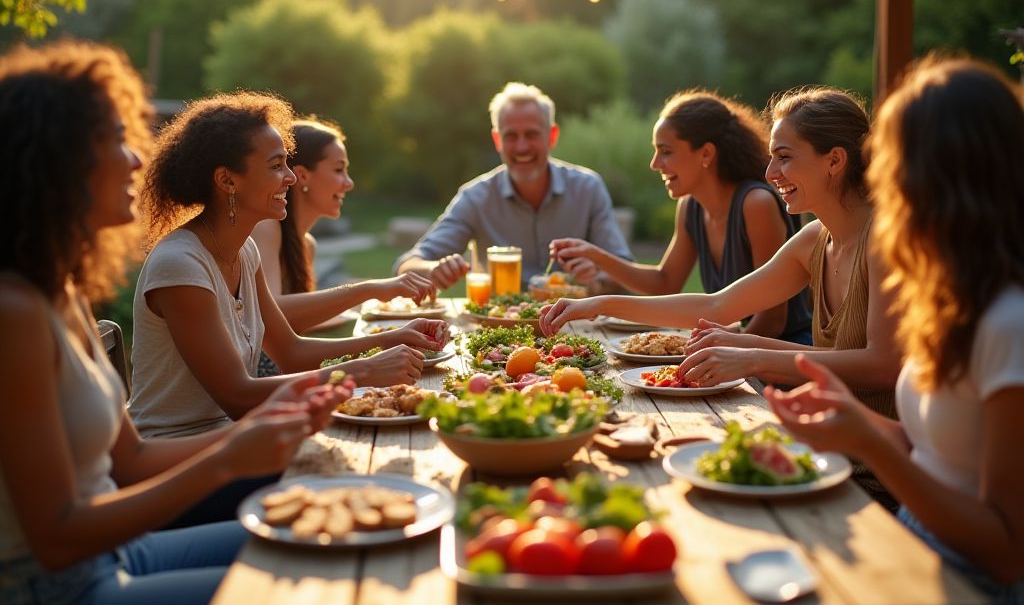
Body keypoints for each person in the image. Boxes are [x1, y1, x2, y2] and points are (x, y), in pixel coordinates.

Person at [0, 41, 348, 605]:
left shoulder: (61, 289)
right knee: (302, 594)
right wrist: (229, 457)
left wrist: (266, 423)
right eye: (115, 140)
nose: (137, 158)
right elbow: (56, 538)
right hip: (50, 596)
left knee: (324, 541)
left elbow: (130, 460)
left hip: (112, 556)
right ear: (59, 160)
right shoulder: (14, 312)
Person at [764, 58, 1024, 605]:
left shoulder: (1009, 324)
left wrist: (870, 442)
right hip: (911, 558)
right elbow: (939, 453)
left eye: (895, 161)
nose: (880, 178)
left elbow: (1006, 553)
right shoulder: (956, 299)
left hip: (973, 598)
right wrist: (848, 417)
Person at [540, 86, 900, 410]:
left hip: (880, 468)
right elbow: (717, 304)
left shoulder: (886, 241)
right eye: (772, 156)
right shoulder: (813, 239)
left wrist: (750, 356)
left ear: (835, 161)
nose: (770, 171)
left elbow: (882, 367)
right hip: (832, 439)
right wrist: (598, 305)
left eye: (785, 157)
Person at [128, 92, 447, 440]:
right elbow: (238, 396)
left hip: (234, 438)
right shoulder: (181, 265)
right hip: (179, 453)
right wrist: (364, 370)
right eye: (276, 165)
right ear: (227, 180)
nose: (290, 178)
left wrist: (392, 338)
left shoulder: (244, 251)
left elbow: (292, 352)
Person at [549, 90, 811, 343]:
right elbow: (665, 282)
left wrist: (724, 348)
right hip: (738, 347)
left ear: (706, 153)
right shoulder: (691, 207)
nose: (654, 163)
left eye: (666, 151)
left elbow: (773, 320)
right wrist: (595, 255)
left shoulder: (756, 204)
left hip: (784, 354)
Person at [395, 81, 633, 291]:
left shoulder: (587, 188)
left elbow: (627, 273)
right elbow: (406, 265)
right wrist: (433, 269)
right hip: (501, 331)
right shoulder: (475, 197)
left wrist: (597, 277)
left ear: (551, 136)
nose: (521, 147)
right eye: (511, 136)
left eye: (531, 134)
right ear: (497, 140)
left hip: (577, 327)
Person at [251, 118, 435, 377]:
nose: (348, 183)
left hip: (289, 378)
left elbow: (293, 327)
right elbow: (270, 316)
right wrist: (368, 290)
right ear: (302, 175)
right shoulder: (267, 229)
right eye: (339, 170)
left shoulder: (306, 245)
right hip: (266, 386)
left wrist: (363, 310)